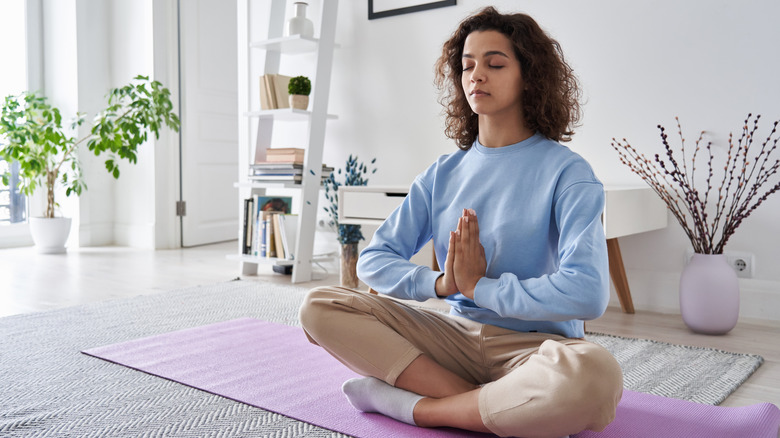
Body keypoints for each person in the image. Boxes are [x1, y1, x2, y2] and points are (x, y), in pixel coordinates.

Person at [299, 6, 623, 438]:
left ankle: (418, 408)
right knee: (319, 307)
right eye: (467, 65)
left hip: (536, 348)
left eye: (494, 63)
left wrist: (481, 287)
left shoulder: (569, 173)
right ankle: (495, 405)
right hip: (451, 337)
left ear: (530, 75)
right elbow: (374, 260)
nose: (476, 75)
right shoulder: (442, 174)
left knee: (596, 373)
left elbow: (589, 292)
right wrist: (442, 285)